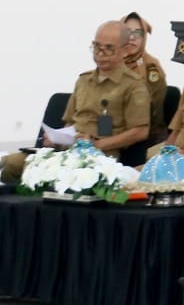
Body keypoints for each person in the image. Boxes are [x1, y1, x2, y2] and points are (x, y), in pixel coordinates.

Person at [2, 21, 152, 184]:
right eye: (97, 47)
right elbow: (70, 123)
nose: (100, 54)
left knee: (41, 172)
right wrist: (57, 139)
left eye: (109, 48)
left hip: (101, 156)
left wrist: (96, 144)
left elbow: (140, 131)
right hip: (69, 150)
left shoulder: (133, 85)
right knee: (12, 164)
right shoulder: (83, 80)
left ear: (125, 50)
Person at [121, 11, 168, 145]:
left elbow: (154, 109)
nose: (132, 37)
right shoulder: (111, 62)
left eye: (138, 33)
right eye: (127, 32)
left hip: (144, 135)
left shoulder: (151, 66)